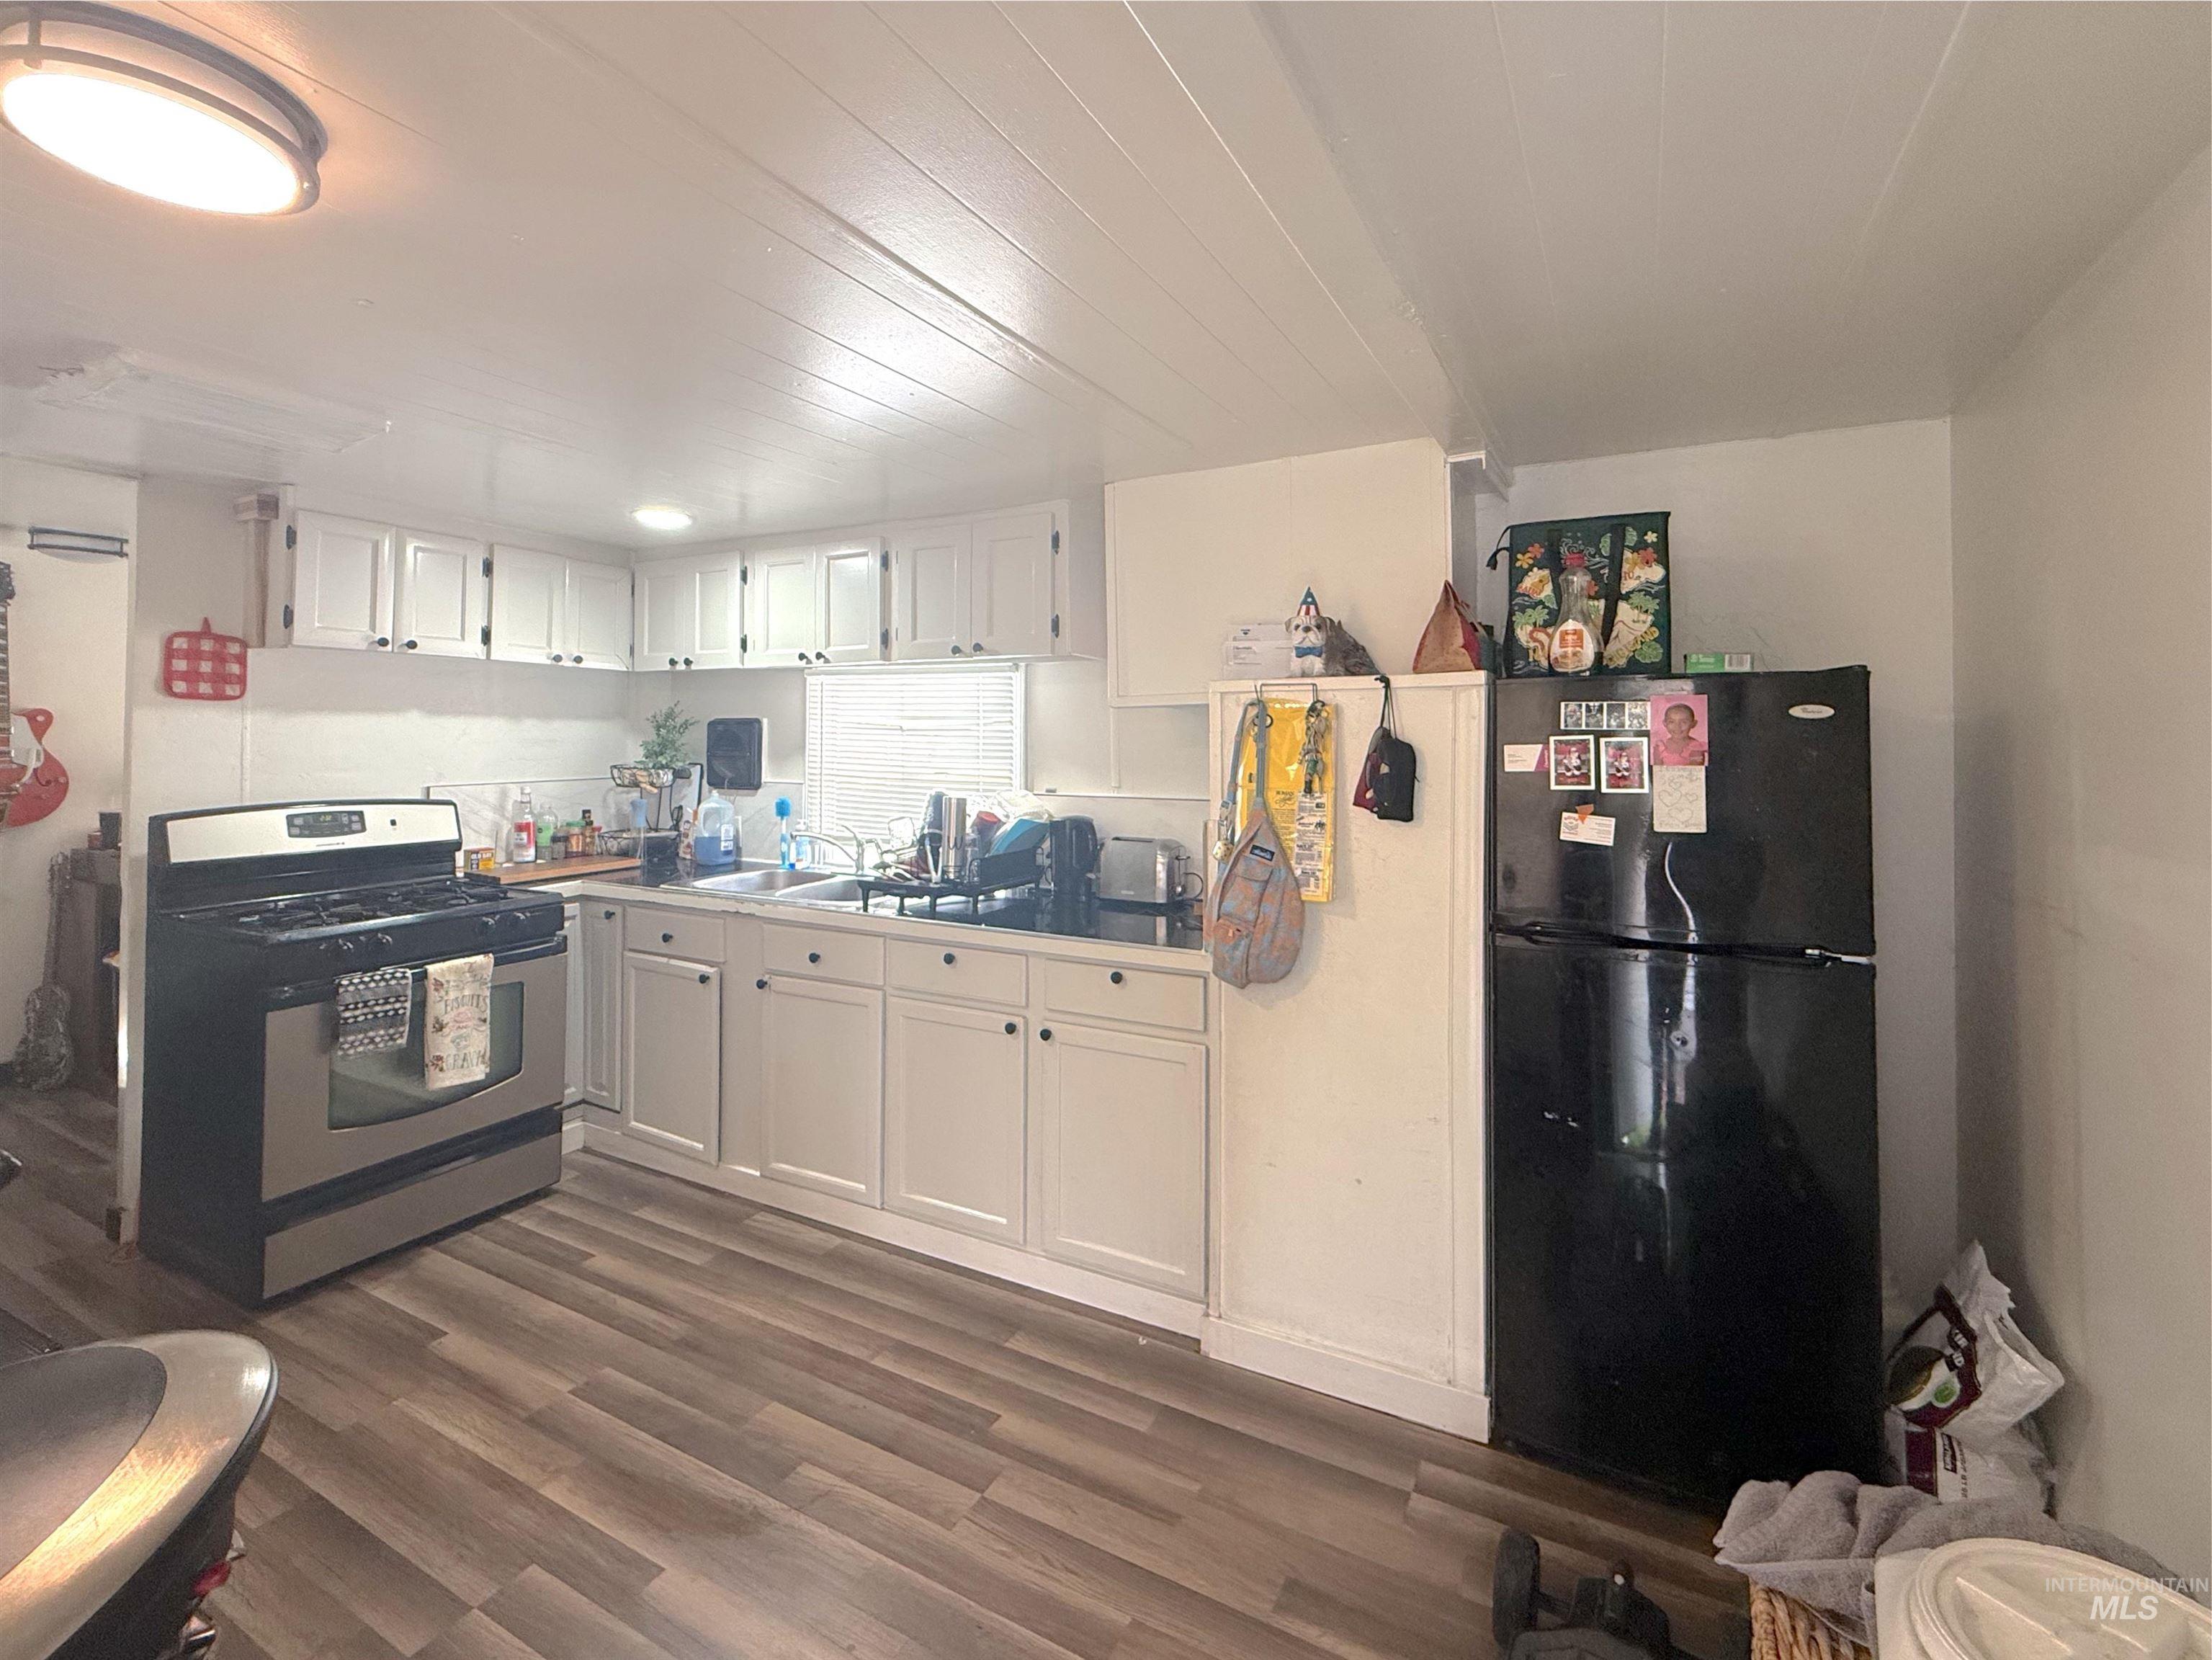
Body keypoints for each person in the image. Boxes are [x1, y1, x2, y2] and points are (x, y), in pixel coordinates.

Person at [1653, 700, 1708, 766]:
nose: (1677, 727)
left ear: (1693, 724)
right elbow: (1657, 771)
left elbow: (1695, 771)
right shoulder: (1660, 746)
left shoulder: (1696, 747)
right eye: (1672, 722)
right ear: (1665, 723)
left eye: (1683, 722)